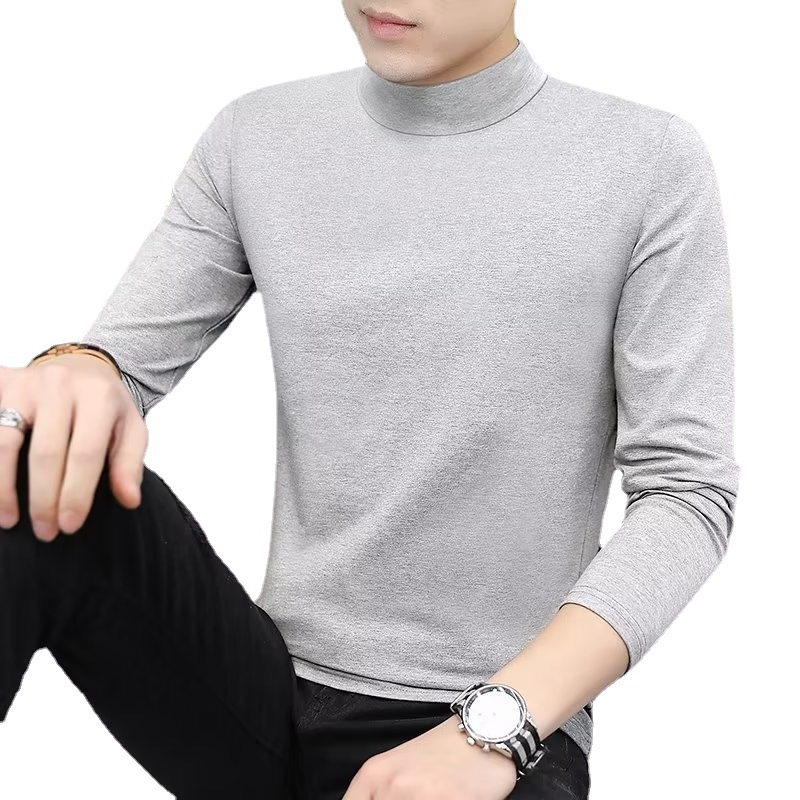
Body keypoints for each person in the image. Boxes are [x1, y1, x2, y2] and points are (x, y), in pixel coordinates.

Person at [0, 1, 740, 798]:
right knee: (15, 455)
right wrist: (79, 369)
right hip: (262, 695)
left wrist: (495, 727)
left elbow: (687, 492)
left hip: (495, 722)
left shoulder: (645, 160)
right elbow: (113, 369)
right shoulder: (257, 136)